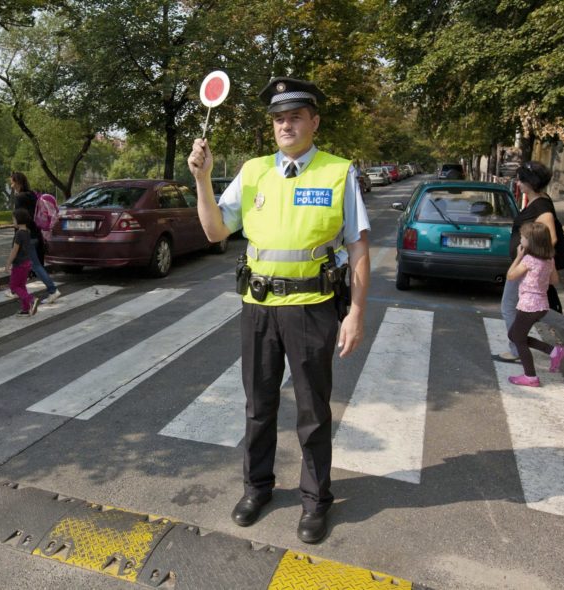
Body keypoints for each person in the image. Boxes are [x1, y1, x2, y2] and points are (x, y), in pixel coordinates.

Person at [187, 77, 371, 544]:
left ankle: (315, 500)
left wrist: (356, 314)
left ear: (314, 122)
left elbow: (359, 247)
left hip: (313, 308)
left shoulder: (338, 171)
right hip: (259, 307)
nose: (285, 124)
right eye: (277, 118)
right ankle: (258, 487)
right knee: (258, 406)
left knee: (312, 411)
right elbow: (214, 232)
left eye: (294, 116)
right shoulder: (252, 173)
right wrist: (202, 179)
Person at [495, 161, 564, 363]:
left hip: (526, 266)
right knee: (533, 308)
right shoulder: (537, 200)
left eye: (521, 180)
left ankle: (516, 349)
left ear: (529, 183)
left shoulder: (541, 205)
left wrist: (527, 258)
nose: (518, 183)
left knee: (510, 306)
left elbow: (551, 238)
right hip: (526, 264)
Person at [506, 222, 564, 386]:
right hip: (540, 305)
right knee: (514, 335)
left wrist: (518, 257)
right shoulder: (549, 260)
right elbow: (554, 280)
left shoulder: (529, 260)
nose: (521, 239)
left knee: (518, 340)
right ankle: (554, 351)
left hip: (528, 305)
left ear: (531, 242)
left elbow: (511, 276)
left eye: (523, 237)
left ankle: (530, 377)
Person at [8, 172, 60, 304]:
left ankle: (53, 290)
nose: (11, 184)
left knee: (35, 266)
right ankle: (16, 289)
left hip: (26, 236)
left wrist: (17, 236)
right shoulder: (32, 195)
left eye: (12, 182)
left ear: (18, 182)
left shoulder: (20, 198)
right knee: (20, 262)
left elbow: (20, 219)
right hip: (36, 234)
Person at [6, 208, 39, 317]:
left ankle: (31, 300)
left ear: (19, 220)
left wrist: (8, 264)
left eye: (14, 220)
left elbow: (14, 251)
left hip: (18, 264)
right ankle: (25, 309)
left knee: (14, 286)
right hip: (26, 263)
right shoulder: (27, 232)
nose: (13, 222)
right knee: (22, 286)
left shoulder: (19, 234)